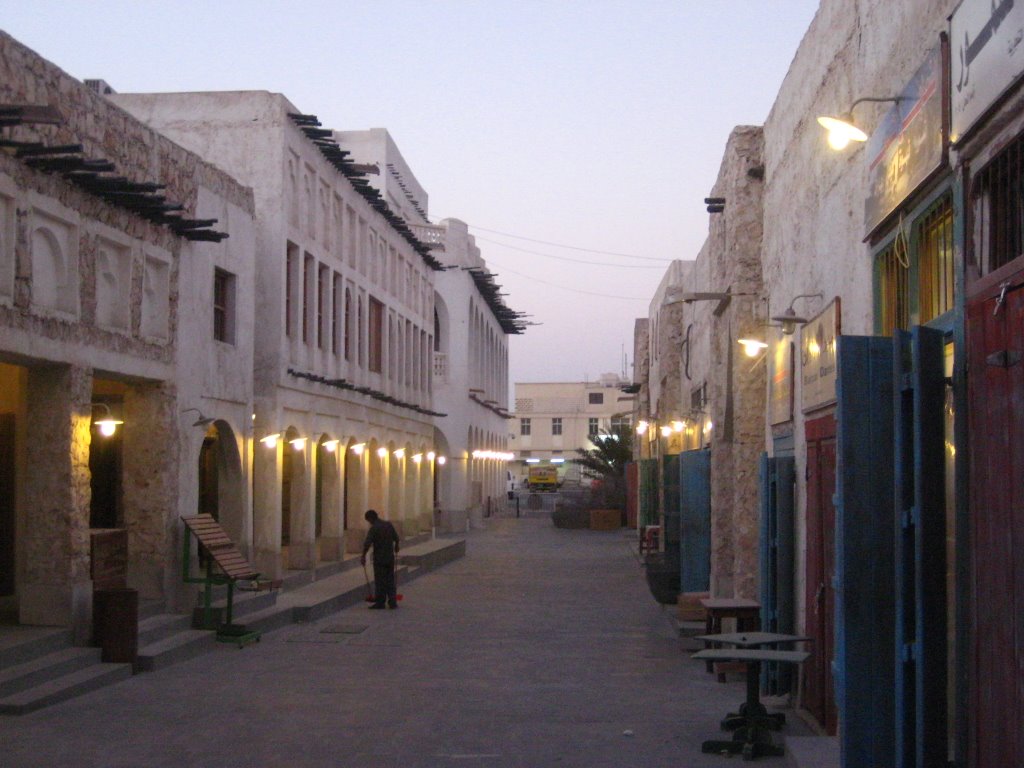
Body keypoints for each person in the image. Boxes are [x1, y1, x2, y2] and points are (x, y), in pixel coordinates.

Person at [360, 509, 400, 609]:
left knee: (380, 581)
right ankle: (392, 602)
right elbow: (396, 538)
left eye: (368, 521)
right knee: (390, 580)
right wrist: (396, 547)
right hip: (390, 557)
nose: (369, 523)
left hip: (379, 559)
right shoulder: (388, 525)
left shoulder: (374, 528)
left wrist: (363, 556)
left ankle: (380, 602)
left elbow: (367, 543)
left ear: (371, 518)